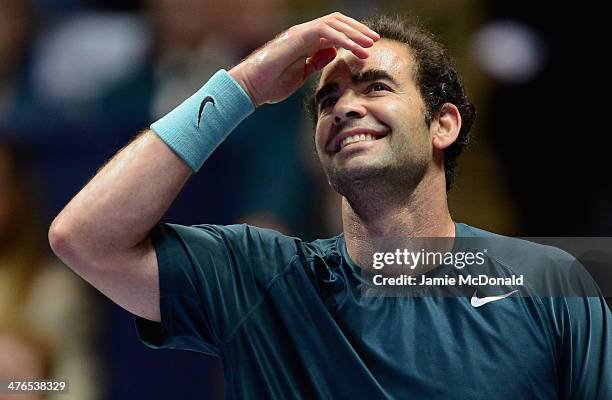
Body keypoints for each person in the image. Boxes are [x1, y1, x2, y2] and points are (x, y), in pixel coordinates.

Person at [48, 12, 611, 399]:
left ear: (443, 124)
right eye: (328, 100)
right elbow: (84, 237)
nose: (344, 107)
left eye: (376, 87)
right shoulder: (259, 276)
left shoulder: (550, 279)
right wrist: (243, 85)